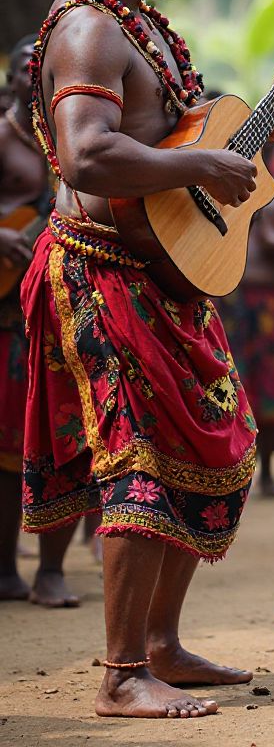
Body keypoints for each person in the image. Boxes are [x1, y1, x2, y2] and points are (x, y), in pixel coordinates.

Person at [20, 0, 274, 719]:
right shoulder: (89, 30)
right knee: (140, 461)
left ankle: (161, 645)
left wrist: (252, 130)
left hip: (165, 273)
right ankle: (120, 676)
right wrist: (200, 160)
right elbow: (87, 154)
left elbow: (168, 140)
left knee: (216, 445)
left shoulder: (138, 24)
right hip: (102, 274)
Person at [0, 35, 82, 606]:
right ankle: (5, 567)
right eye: (30, 77)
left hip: (66, 302)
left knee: (71, 435)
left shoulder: (82, 136)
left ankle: (52, 570)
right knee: (8, 443)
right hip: (6, 311)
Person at [217, 139, 274, 498]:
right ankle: (235, 476)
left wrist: (270, 232)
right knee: (233, 388)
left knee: (271, 388)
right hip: (234, 299)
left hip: (270, 300)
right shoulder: (225, 184)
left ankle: (266, 475)